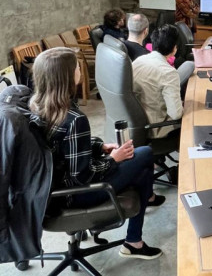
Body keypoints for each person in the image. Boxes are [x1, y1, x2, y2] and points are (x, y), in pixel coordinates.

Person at [30, 47, 164, 260]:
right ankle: (133, 240)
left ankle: (135, 237)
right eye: (76, 67)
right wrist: (113, 159)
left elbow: (63, 148)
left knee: (142, 171)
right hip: (73, 195)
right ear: (68, 76)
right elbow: (81, 177)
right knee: (145, 155)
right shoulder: (74, 118)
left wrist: (99, 147)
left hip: (49, 192)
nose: (80, 71)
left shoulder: (37, 105)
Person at [132, 25, 190, 138]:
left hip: (135, 124)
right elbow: (176, 114)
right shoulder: (169, 73)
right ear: (174, 48)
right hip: (156, 127)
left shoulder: (138, 61)